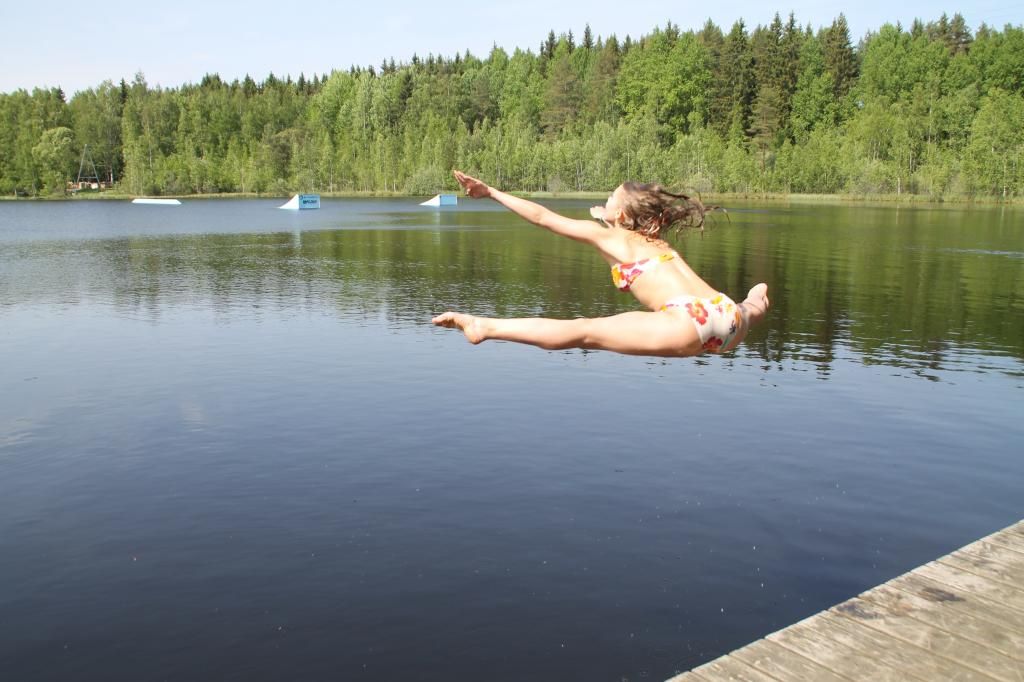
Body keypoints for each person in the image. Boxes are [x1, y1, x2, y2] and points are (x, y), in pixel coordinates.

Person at [432, 171, 769, 357]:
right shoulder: (654, 241)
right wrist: (607, 218)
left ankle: (484, 327)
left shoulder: (611, 238)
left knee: (583, 331)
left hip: (686, 323)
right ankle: (758, 297)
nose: (604, 200)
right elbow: (626, 234)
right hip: (728, 316)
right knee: (752, 306)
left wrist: (491, 192)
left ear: (620, 214)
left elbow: (543, 217)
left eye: (610, 198)